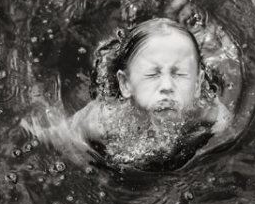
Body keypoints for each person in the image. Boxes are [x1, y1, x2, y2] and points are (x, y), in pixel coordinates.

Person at [25, 12, 233, 170]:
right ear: (126, 85)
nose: (168, 86)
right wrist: (35, 134)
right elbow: (65, 134)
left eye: (180, 75)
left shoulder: (204, 112)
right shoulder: (104, 120)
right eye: (152, 75)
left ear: (197, 85)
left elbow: (225, 124)